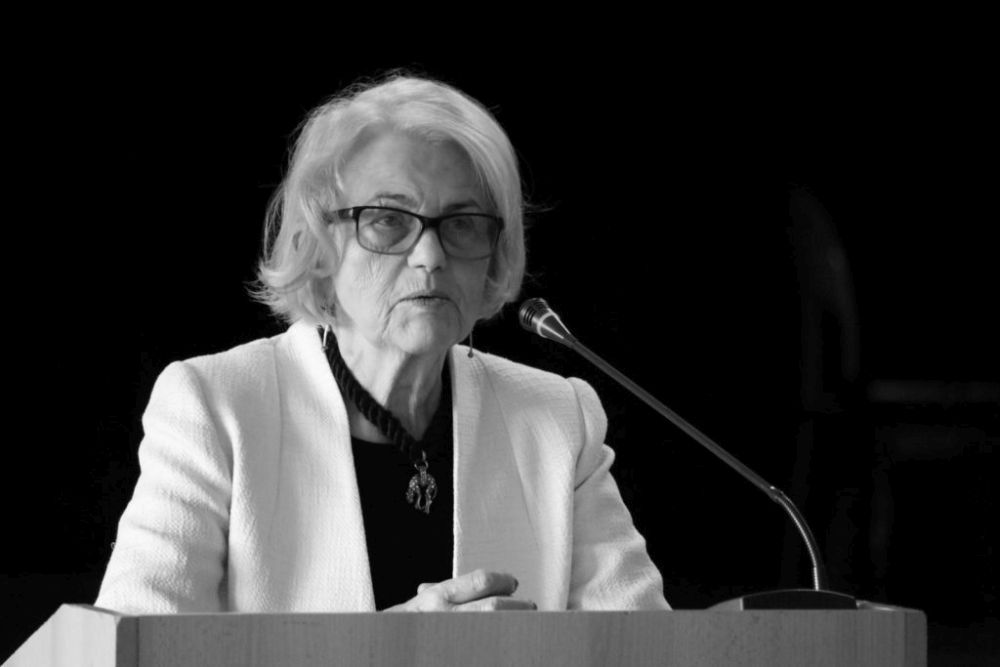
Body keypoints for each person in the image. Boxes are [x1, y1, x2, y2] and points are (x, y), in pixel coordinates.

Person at [95, 74, 668, 613]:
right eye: (389, 219)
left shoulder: (558, 419)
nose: (430, 256)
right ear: (319, 246)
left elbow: (646, 648)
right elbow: (128, 649)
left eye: (463, 222)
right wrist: (396, 647)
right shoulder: (217, 406)